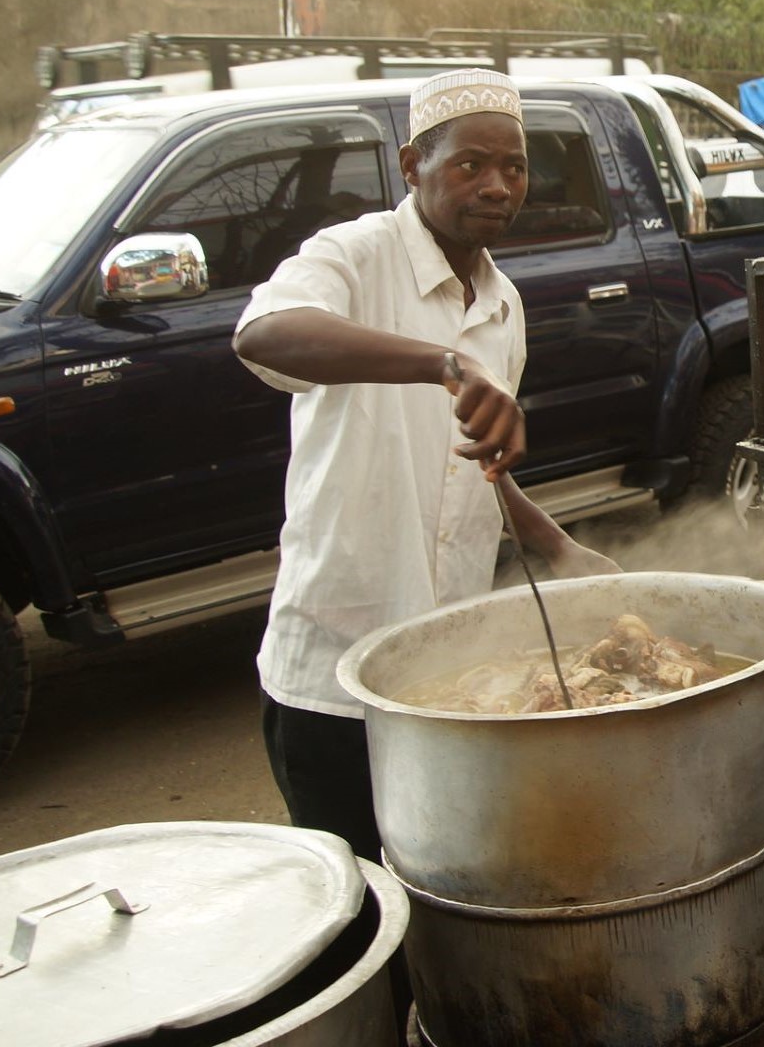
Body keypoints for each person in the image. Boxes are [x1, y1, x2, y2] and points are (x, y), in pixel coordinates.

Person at [233, 68, 616, 866]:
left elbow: (473, 464)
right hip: (333, 680)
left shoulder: (502, 304)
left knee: (451, 897)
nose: (497, 185)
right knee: (360, 917)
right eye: (469, 164)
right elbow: (263, 336)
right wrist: (443, 363)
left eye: (513, 167)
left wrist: (555, 546)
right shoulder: (353, 254)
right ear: (412, 166)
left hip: (450, 678)